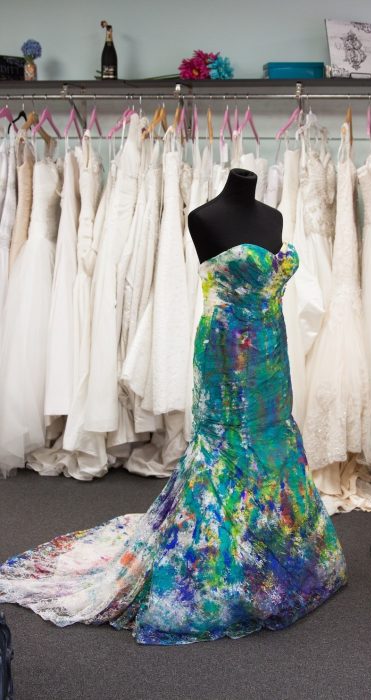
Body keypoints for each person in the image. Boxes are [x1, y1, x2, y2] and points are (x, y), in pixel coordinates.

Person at [0, 168, 347, 644]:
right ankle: (230, 560)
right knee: (225, 451)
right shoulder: (203, 217)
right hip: (225, 355)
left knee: (273, 444)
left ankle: (278, 548)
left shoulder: (274, 215)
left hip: (270, 355)